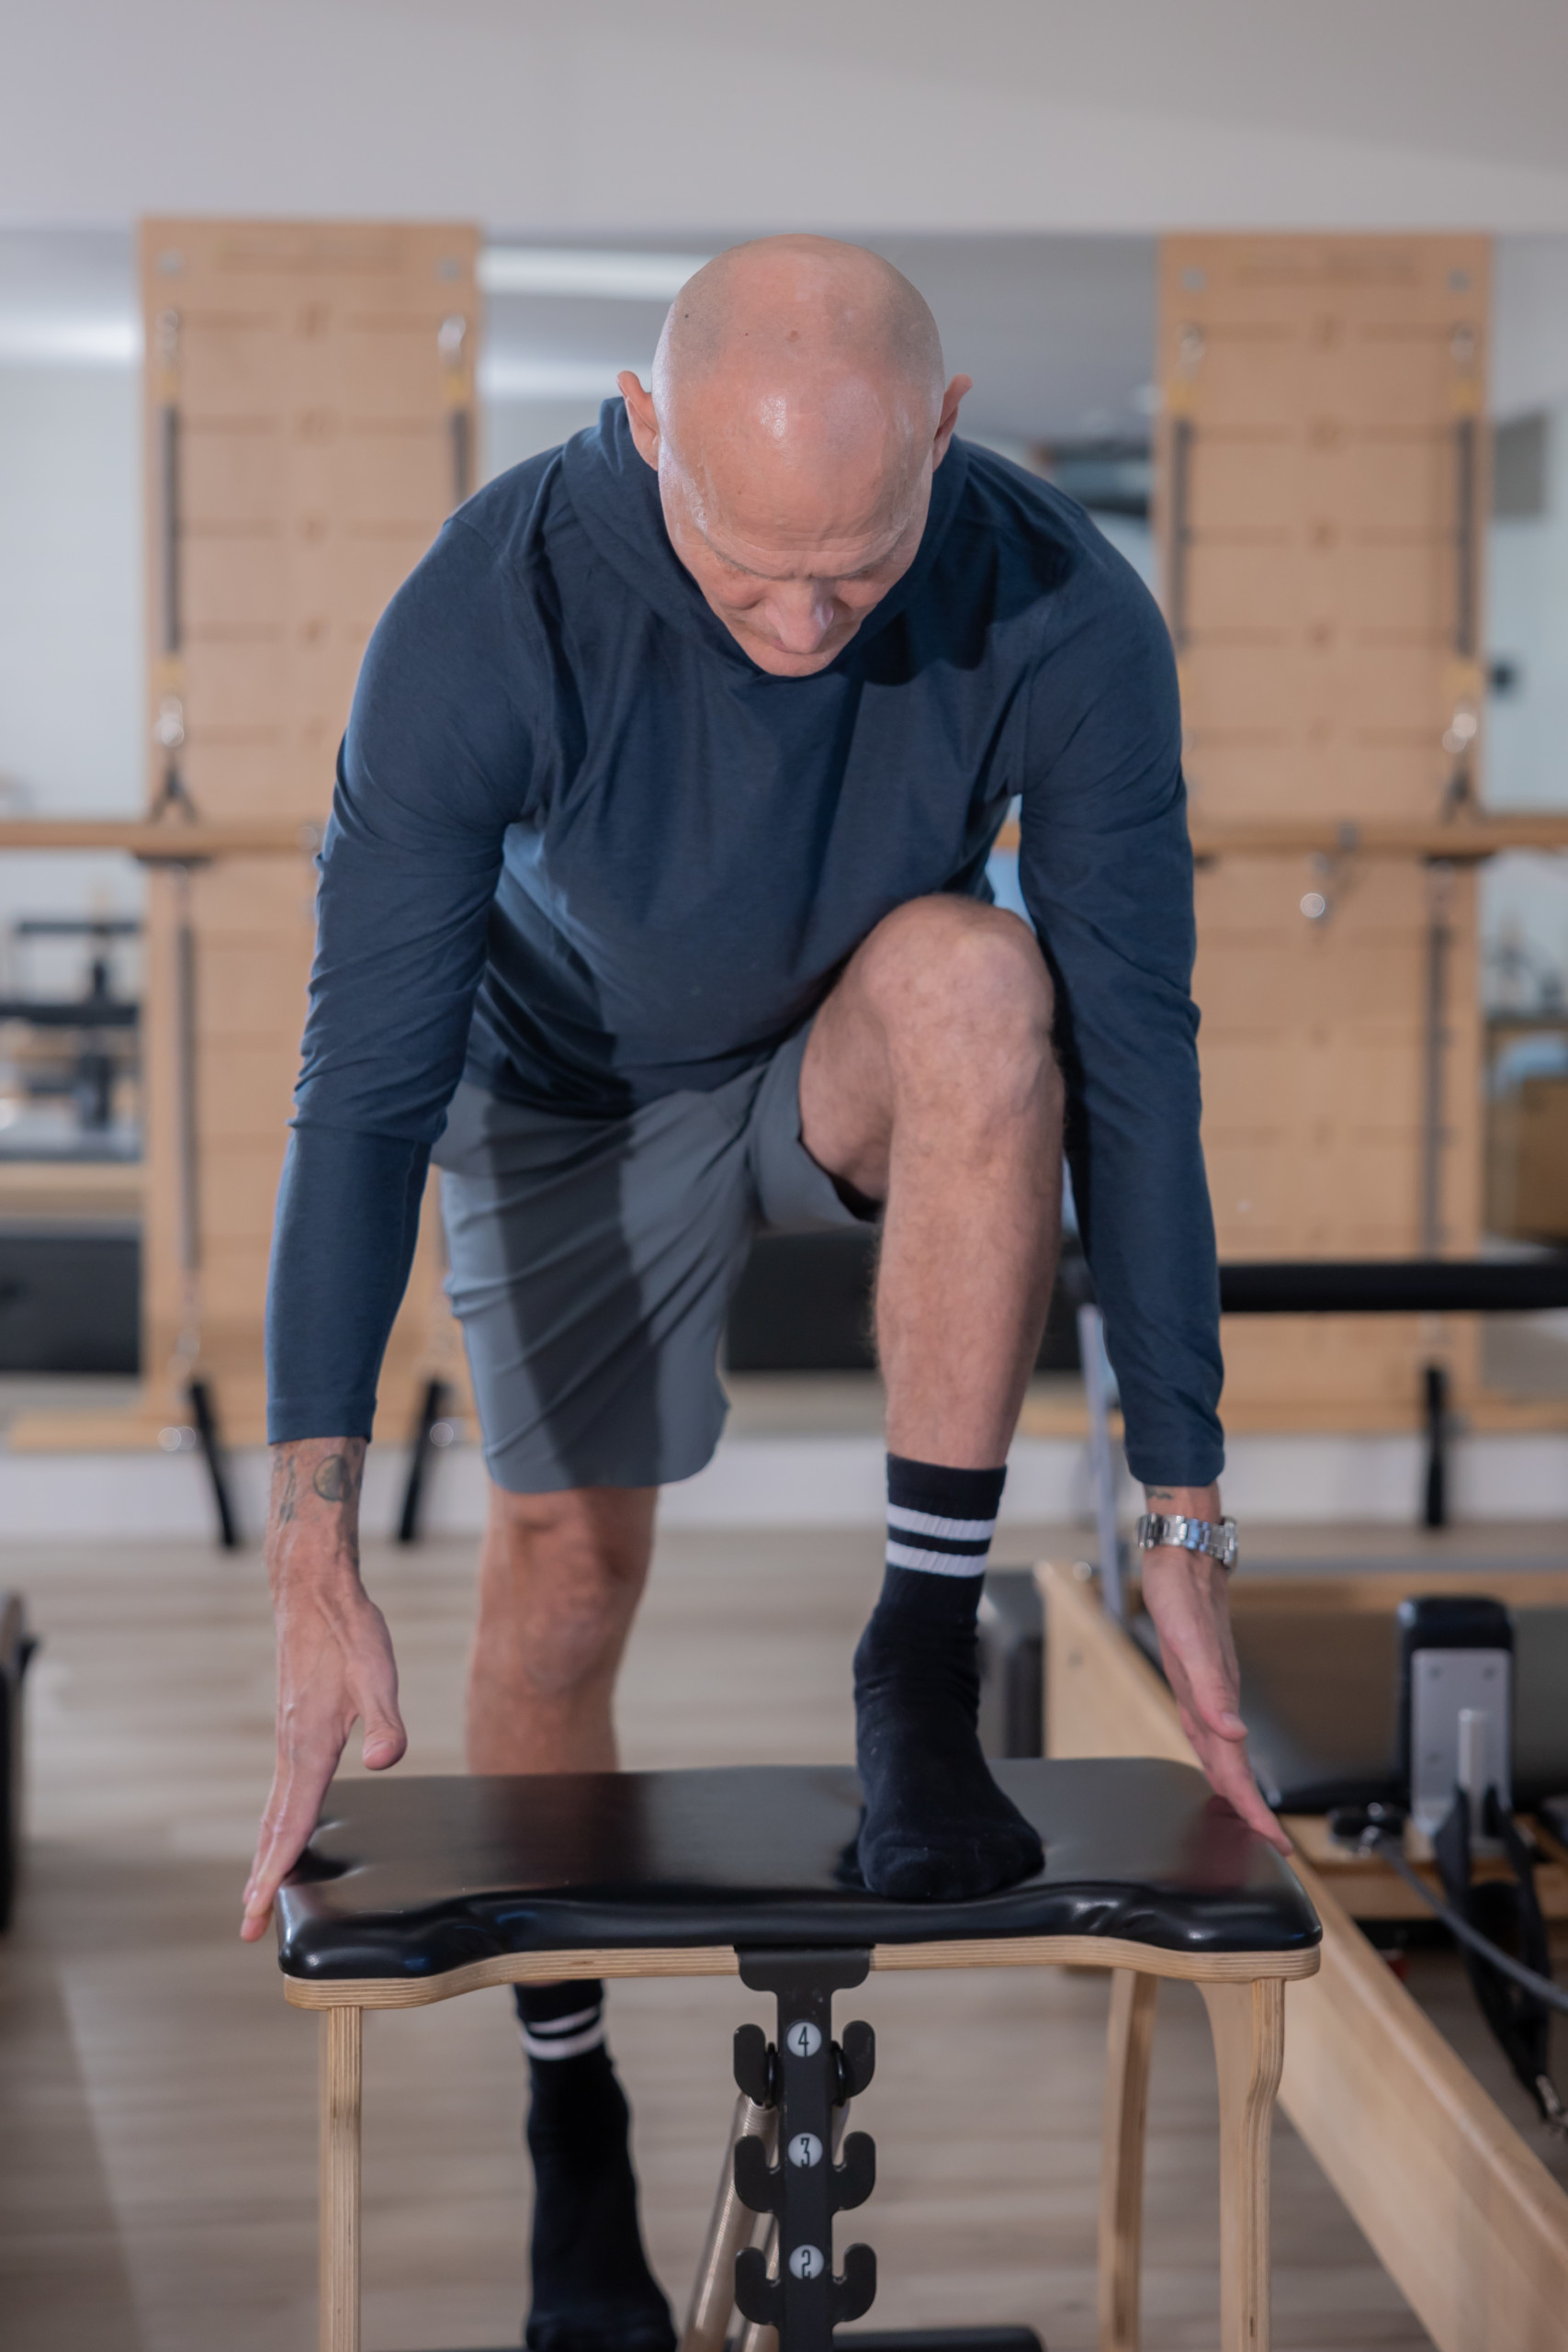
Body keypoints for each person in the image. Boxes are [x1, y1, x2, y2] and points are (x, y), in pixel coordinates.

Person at [242, 235, 1287, 2351]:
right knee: (558, 1580)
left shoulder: (1061, 605)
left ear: (945, 434)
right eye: (749, 572)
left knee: (987, 982)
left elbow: (1144, 1058)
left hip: (837, 1042)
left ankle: (911, 1667)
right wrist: (310, 1538)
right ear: (645, 439)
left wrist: (1180, 1508)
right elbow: (355, 1096)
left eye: (859, 563)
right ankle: (566, 2124)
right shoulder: (483, 610)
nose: (809, 626)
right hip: (547, 1101)